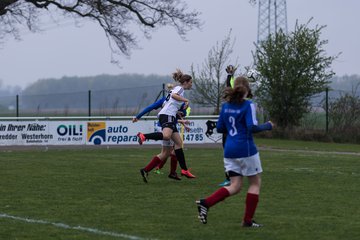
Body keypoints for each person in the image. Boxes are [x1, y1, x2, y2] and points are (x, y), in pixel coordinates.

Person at [196, 76, 273, 227]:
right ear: (247, 90)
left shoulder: (226, 106)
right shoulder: (248, 105)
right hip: (246, 149)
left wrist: (232, 129)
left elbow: (219, 128)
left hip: (229, 150)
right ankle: (247, 221)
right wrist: (268, 125)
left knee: (235, 185)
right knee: (255, 183)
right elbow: (252, 128)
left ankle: (206, 203)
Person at [137, 69, 196, 182]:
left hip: (169, 116)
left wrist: (180, 117)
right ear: (186, 82)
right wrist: (186, 100)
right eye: (191, 82)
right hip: (167, 116)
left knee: (177, 144)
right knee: (167, 136)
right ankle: (143, 136)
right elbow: (174, 96)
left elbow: (169, 104)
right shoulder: (179, 89)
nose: (191, 84)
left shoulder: (177, 89)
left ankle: (184, 170)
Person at [218, 65, 237, 187]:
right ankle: (229, 177)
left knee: (231, 155)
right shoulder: (227, 106)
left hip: (232, 133)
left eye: (226, 94)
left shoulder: (235, 103)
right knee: (227, 155)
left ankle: (232, 177)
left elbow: (230, 87)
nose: (225, 95)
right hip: (226, 132)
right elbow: (229, 86)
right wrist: (230, 75)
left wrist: (231, 76)